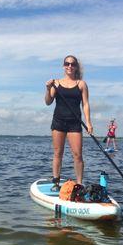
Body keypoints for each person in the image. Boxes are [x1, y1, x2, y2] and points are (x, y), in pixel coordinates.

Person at [45, 55, 93, 191]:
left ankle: (79, 184)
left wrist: (89, 123)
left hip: (74, 123)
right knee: (57, 153)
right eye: (67, 64)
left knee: (78, 155)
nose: (70, 66)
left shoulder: (81, 84)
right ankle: (55, 182)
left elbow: (86, 104)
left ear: (76, 66)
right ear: (63, 66)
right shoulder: (56, 83)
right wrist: (48, 89)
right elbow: (48, 102)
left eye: (72, 64)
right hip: (58, 122)